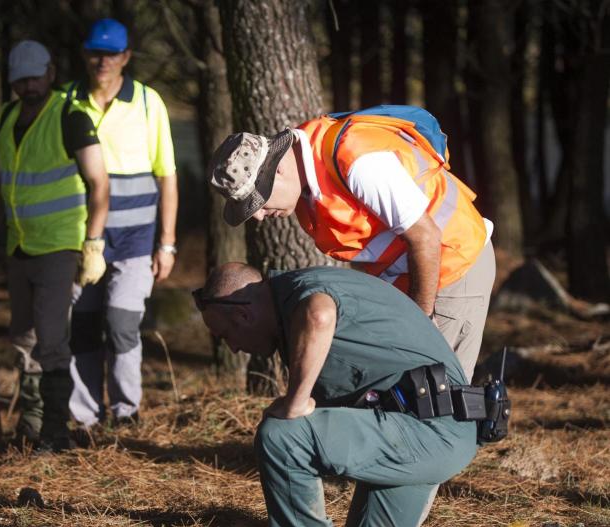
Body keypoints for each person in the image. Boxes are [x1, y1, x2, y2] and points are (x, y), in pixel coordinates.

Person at [193, 262, 565, 527]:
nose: (233, 348)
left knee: (280, 433)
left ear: (242, 314)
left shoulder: (299, 294)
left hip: (429, 429)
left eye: (225, 335)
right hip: (430, 430)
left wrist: (295, 400)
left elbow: (320, 314)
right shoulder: (294, 301)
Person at [207, 113, 495, 383]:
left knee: (437, 393)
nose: (257, 215)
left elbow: (427, 238)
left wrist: (419, 326)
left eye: (258, 201)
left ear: (278, 169)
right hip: (411, 277)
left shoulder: (358, 162)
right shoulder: (308, 182)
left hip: (452, 267)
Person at [0, 40, 109, 453]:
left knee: (51, 339)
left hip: (59, 246)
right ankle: (30, 424)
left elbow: (99, 183)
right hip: (19, 245)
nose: (27, 86)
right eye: (20, 80)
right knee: (23, 338)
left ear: (50, 74)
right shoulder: (6, 117)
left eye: (34, 77)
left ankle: (56, 431)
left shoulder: (71, 117)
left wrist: (93, 243)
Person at [64, 18, 179, 430]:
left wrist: (166, 244)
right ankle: (84, 418)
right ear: (84, 54)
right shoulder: (66, 100)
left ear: (126, 57)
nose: (102, 61)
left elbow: (167, 175)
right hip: (81, 236)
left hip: (136, 239)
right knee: (83, 327)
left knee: (121, 324)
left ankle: (126, 413)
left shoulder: (149, 102)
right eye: (96, 52)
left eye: (111, 53)